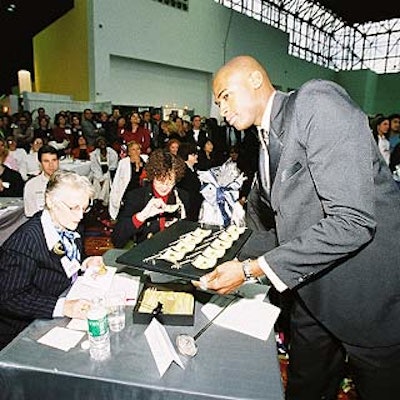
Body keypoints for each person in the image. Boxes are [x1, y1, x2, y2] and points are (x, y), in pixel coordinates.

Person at [194, 55, 400, 400]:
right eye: (217, 104)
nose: (221, 110)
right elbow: (288, 229)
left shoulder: (315, 102)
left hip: (370, 299)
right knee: (305, 388)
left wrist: (249, 270)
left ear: (256, 78)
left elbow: (352, 221)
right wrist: (205, 246)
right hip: (313, 292)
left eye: (225, 96)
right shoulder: (262, 145)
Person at [0, 170, 103, 350]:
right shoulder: (24, 242)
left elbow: (65, 261)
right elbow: (9, 298)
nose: (80, 215)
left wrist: (84, 263)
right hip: (21, 332)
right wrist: (64, 307)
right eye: (73, 207)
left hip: (63, 299)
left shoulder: (69, 223)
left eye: (84, 208)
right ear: (50, 201)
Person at [111, 149, 189, 248]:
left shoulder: (182, 197)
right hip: (145, 251)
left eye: (170, 183)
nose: (165, 187)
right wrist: (141, 216)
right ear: (153, 176)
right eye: (160, 182)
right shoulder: (136, 197)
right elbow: (117, 239)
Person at [109, 140, 147, 221]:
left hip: (143, 190)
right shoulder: (124, 163)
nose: (136, 151)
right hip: (129, 191)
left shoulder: (145, 160)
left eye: (138, 149)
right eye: (133, 149)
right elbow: (118, 180)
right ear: (129, 152)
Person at [23, 145, 60, 217]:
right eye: (46, 161)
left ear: (58, 161)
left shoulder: (67, 182)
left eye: (54, 160)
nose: (51, 165)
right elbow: (30, 213)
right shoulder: (31, 185)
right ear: (40, 163)